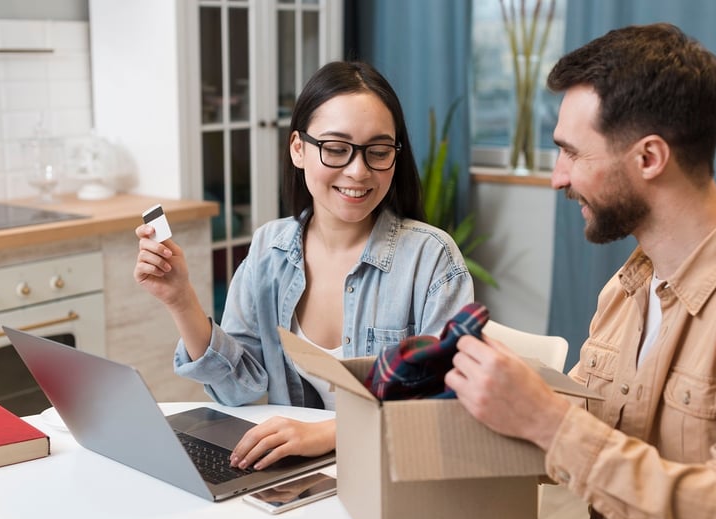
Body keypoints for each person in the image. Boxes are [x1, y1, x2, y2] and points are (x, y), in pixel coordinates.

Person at [445, 23, 716, 519]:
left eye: (572, 152)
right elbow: (576, 441)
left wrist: (546, 421)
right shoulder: (624, 292)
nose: (558, 177)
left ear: (648, 158)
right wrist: (500, 401)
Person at [134, 60, 474, 471]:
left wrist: (329, 435)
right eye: (335, 149)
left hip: (389, 477)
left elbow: (447, 404)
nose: (358, 171)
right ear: (298, 148)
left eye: (379, 152)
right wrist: (180, 299)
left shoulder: (431, 258)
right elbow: (238, 389)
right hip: (295, 478)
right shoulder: (268, 249)